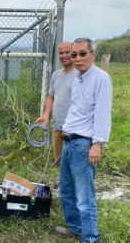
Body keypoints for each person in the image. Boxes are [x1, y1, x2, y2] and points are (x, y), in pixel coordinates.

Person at [54, 38, 112, 243]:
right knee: (66, 190)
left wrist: (97, 144)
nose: (77, 58)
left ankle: (90, 237)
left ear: (93, 55)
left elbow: (103, 113)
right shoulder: (78, 79)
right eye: (74, 54)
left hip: (83, 144)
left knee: (84, 196)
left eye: (82, 53)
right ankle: (75, 227)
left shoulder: (101, 79)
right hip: (69, 142)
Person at [36, 41, 78, 170]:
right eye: (61, 53)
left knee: (76, 167)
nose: (64, 55)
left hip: (74, 130)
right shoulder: (56, 75)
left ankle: (76, 191)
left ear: (74, 53)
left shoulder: (80, 74)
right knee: (61, 167)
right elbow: (50, 98)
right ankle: (64, 190)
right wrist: (46, 115)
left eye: (67, 52)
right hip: (57, 127)